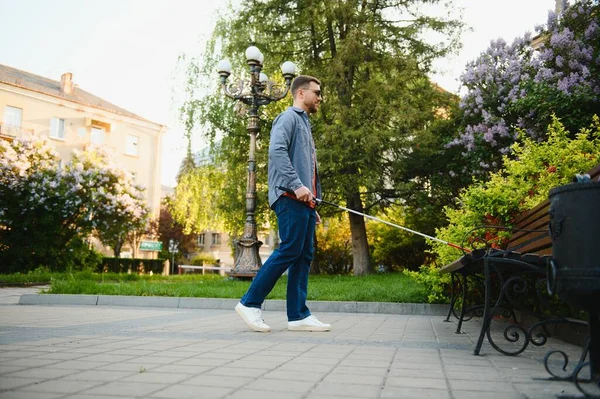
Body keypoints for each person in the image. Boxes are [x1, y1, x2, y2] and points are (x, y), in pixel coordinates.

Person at [235, 75, 331, 333]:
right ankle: (249, 303)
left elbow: (306, 167)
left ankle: (298, 315)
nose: (320, 98)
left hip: (303, 201)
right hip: (289, 196)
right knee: (290, 250)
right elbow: (276, 151)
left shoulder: (305, 124)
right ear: (301, 93)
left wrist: (312, 202)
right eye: (317, 92)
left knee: (303, 256)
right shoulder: (287, 118)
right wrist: (297, 186)